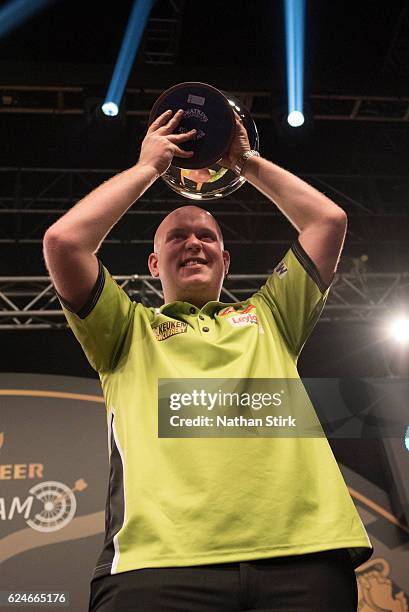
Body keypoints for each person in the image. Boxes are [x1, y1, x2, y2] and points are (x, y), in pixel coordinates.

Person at [43, 108, 373, 611]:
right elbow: (65, 242)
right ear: (154, 263)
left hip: (303, 558)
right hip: (158, 566)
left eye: (207, 237)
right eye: (177, 236)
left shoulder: (270, 316)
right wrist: (149, 168)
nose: (194, 242)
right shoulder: (127, 330)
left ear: (226, 259)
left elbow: (327, 221)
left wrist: (245, 161)